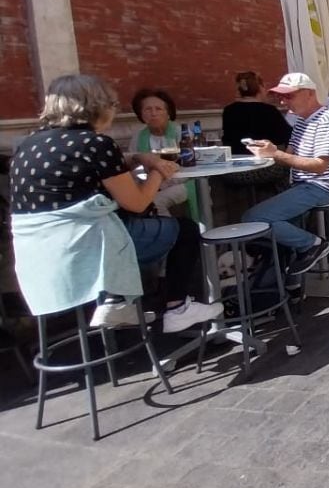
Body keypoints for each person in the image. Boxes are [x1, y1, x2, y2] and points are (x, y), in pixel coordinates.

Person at [9, 74, 222, 332]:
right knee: (185, 230)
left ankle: (117, 302)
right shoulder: (96, 144)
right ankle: (175, 308)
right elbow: (138, 204)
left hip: (42, 258)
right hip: (91, 251)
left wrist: (137, 157)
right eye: (112, 105)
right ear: (97, 107)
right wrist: (157, 169)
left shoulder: (27, 145)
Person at [244, 73, 329, 275]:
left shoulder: (326, 120)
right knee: (273, 231)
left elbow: (320, 166)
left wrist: (275, 153)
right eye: (281, 97)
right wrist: (269, 151)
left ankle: (312, 245)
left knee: (253, 217)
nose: (283, 101)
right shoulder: (301, 121)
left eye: (289, 96)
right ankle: (290, 283)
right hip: (304, 184)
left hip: (323, 185)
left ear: (309, 93)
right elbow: (289, 156)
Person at [128, 87, 196, 219]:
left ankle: (168, 235)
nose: (153, 113)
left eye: (158, 109)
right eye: (148, 109)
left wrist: (159, 184)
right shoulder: (139, 136)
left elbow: (190, 165)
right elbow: (133, 165)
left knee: (156, 202)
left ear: (168, 112)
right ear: (141, 114)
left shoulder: (181, 133)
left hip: (185, 181)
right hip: (150, 183)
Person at [222, 71, 292, 156]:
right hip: (264, 162)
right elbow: (285, 137)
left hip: (237, 160)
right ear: (260, 87)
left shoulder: (229, 110)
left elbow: (227, 140)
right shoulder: (269, 110)